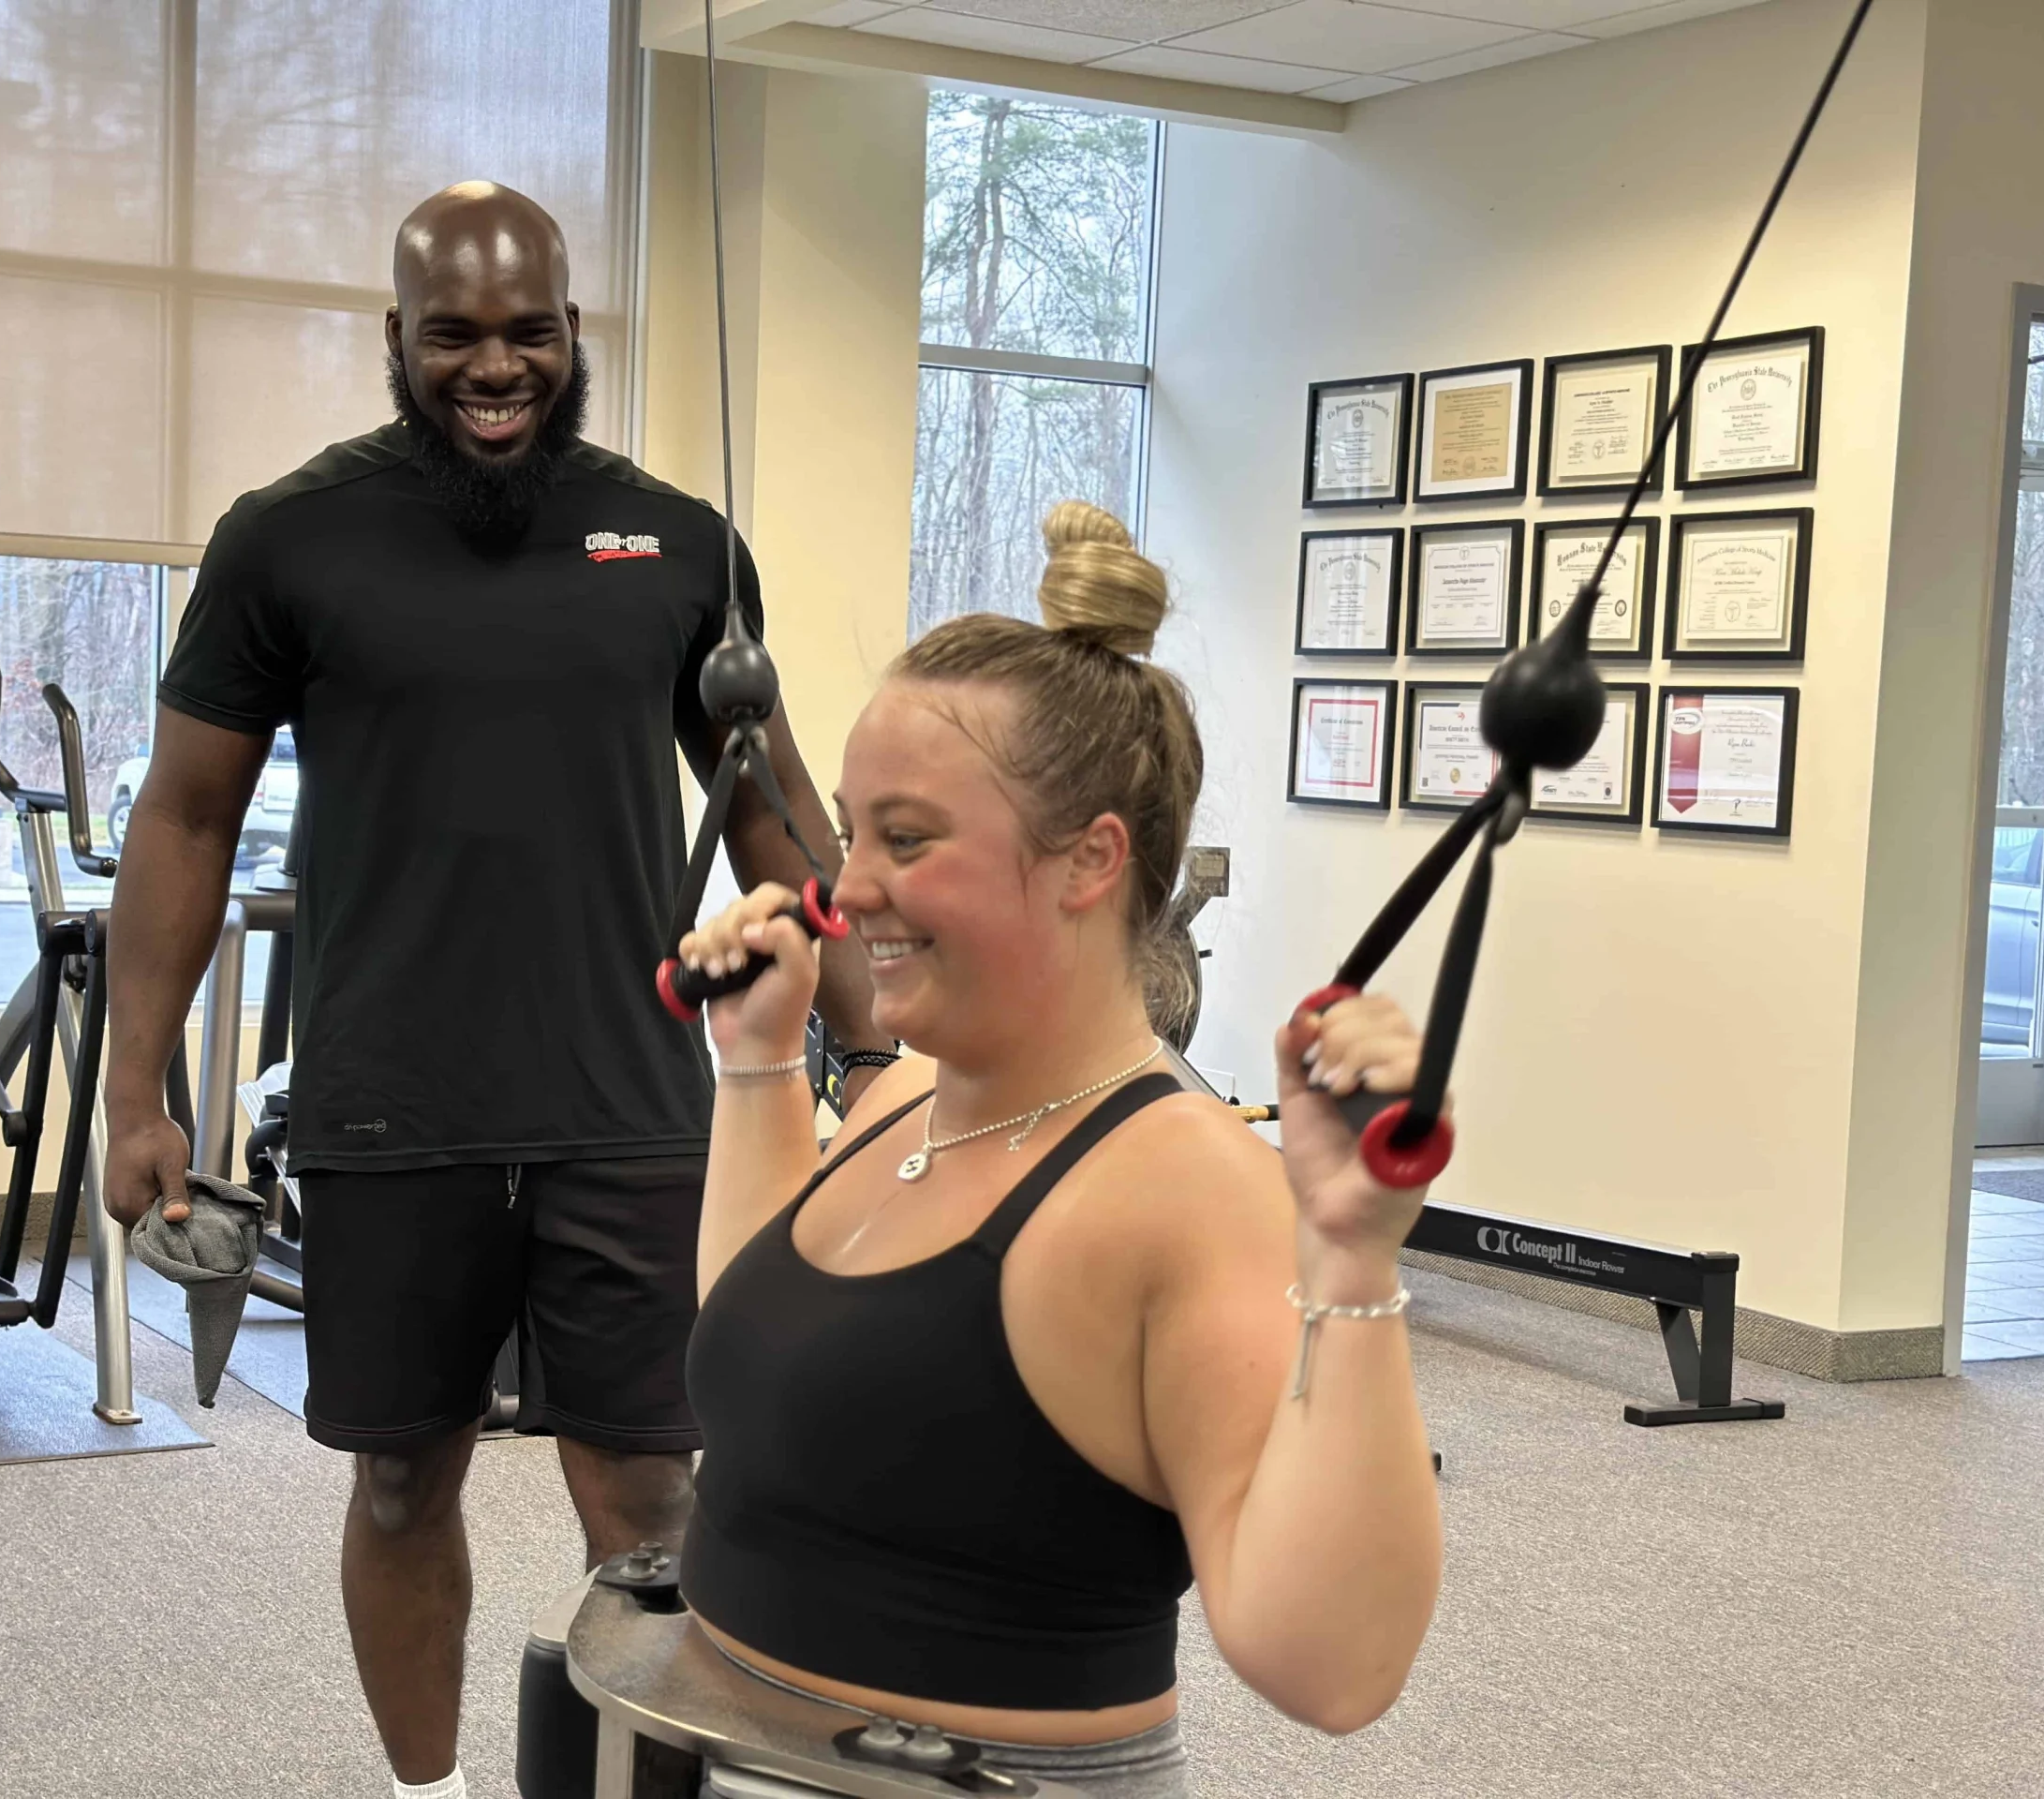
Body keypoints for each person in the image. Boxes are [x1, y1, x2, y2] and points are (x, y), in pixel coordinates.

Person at [99, 181, 891, 1799]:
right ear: (394, 336)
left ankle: (651, 1782)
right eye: (453, 335)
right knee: (401, 1480)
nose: (495, 367)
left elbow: (769, 802)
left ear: (572, 332)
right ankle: (430, 1793)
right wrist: (134, 1092)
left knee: (654, 1500)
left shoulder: (677, 542)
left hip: (631, 1097)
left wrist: (876, 1039)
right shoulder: (289, 537)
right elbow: (183, 819)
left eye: (529, 333)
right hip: (391, 1099)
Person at [674, 502, 1444, 1797]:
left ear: (1090, 860)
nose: (846, 888)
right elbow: (764, 1371)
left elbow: (1334, 1671)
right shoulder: (899, 1098)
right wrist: (757, 1064)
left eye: (906, 839)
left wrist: (1353, 1264)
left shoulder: (1186, 1188)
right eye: (852, 834)